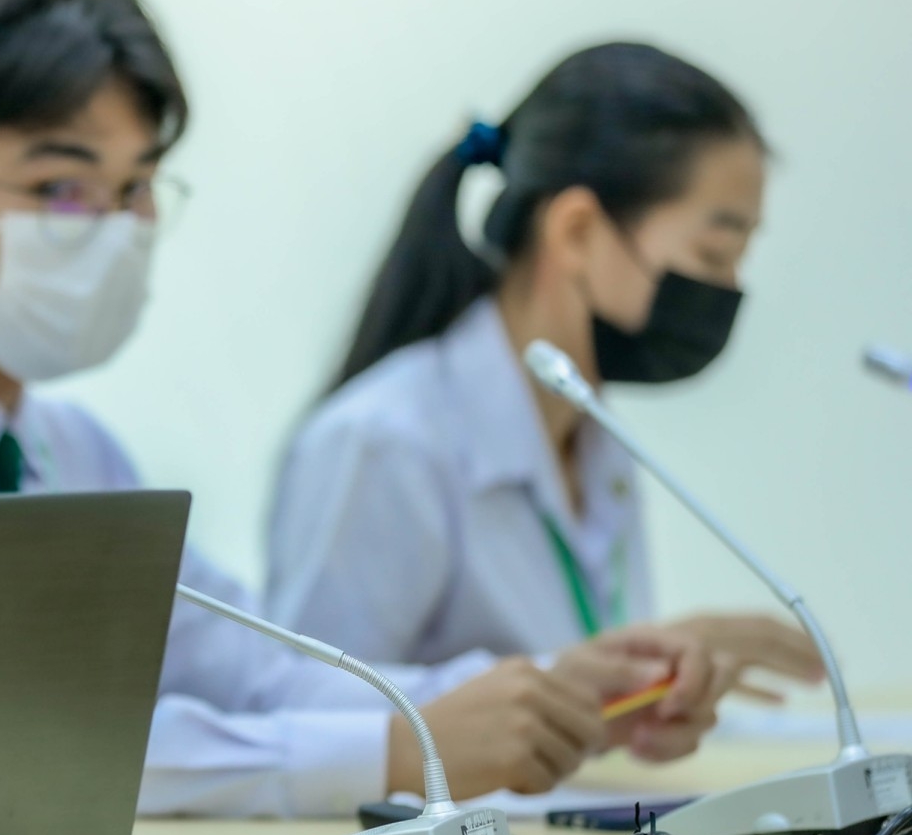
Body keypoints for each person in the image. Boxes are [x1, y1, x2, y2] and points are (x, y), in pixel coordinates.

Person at [0, 0, 718, 818]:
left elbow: (265, 669)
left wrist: (547, 694)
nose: (115, 229)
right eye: (61, 186)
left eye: (135, 187)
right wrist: (393, 751)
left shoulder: (75, 454)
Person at [267, 42, 821, 729]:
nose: (729, 289)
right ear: (577, 230)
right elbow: (313, 723)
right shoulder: (385, 441)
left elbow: (571, 714)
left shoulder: (593, 438)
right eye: (713, 253)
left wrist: (652, 694)